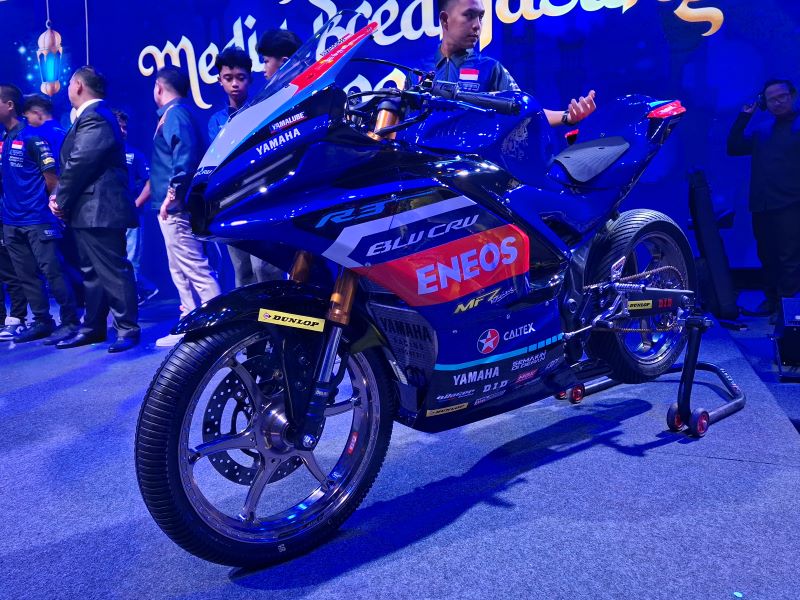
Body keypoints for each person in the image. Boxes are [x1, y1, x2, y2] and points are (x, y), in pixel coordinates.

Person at [50, 66, 141, 352]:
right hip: (89, 209)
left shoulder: (96, 116)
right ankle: (93, 327)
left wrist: (60, 198)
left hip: (101, 208)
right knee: (92, 273)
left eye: (69, 84)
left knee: (113, 270)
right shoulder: (92, 116)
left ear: (78, 85)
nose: (68, 89)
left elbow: (80, 162)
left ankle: (127, 328)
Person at [431, 0, 596, 127]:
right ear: (445, 20)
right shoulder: (419, 71)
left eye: (480, 17)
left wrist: (566, 116)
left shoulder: (490, 69)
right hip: (424, 161)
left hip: (471, 160)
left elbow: (524, 110)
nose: (477, 26)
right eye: (469, 15)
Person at [0, 83, 80, 344]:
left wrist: (52, 206)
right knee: (26, 275)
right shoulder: (5, 139)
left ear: (9, 105)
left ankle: (70, 321)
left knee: (53, 271)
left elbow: (52, 180)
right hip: (11, 221)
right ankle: (42, 321)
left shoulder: (33, 137)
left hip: (37, 218)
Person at [151, 66, 221, 347]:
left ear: (159, 87)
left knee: (195, 268)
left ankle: (218, 329)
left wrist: (172, 195)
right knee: (180, 269)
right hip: (171, 207)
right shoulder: (174, 114)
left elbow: (186, 157)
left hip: (176, 207)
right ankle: (191, 322)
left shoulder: (176, 114)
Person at [208, 46, 284, 288]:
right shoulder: (216, 121)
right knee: (242, 270)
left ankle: (275, 312)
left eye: (240, 77)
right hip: (232, 202)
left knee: (266, 266)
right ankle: (250, 314)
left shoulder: (264, 111)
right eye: (228, 78)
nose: (234, 84)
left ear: (249, 79)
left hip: (262, 198)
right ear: (220, 81)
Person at [727, 79, 800, 318]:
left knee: (789, 258)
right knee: (767, 256)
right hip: (762, 204)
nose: (778, 102)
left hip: (791, 203)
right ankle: (772, 301)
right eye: (772, 99)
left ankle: (786, 309)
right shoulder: (762, 130)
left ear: (792, 95)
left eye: (782, 96)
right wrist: (744, 116)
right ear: (764, 103)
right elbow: (734, 147)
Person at [23, 93, 85, 310]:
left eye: (27, 116)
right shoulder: (65, 132)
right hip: (71, 201)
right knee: (73, 255)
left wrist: (54, 200)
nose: (26, 122)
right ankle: (83, 302)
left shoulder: (38, 135)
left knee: (57, 261)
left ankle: (74, 307)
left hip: (49, 205)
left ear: (37, 113)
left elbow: (51, 174)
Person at [113, 109, 158, 305]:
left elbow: (151, 182)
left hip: (132, 216)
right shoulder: (100, 153)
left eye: (125, 127)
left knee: (131, 260)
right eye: (119, 127)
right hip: (106, 215)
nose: (123, 131)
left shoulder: (134, 154)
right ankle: (142, 290)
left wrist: (136, 204)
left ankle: (129, 304)